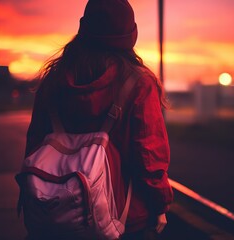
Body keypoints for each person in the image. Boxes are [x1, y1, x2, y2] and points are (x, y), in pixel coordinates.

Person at [24, 0, 173, 239]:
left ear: (84, 29)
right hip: (124, 218)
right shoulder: (138, 83)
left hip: (54, 214)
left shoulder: (54, 80)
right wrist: (160, 205)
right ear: (130, 34)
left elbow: (34, 146)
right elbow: (149, 156)